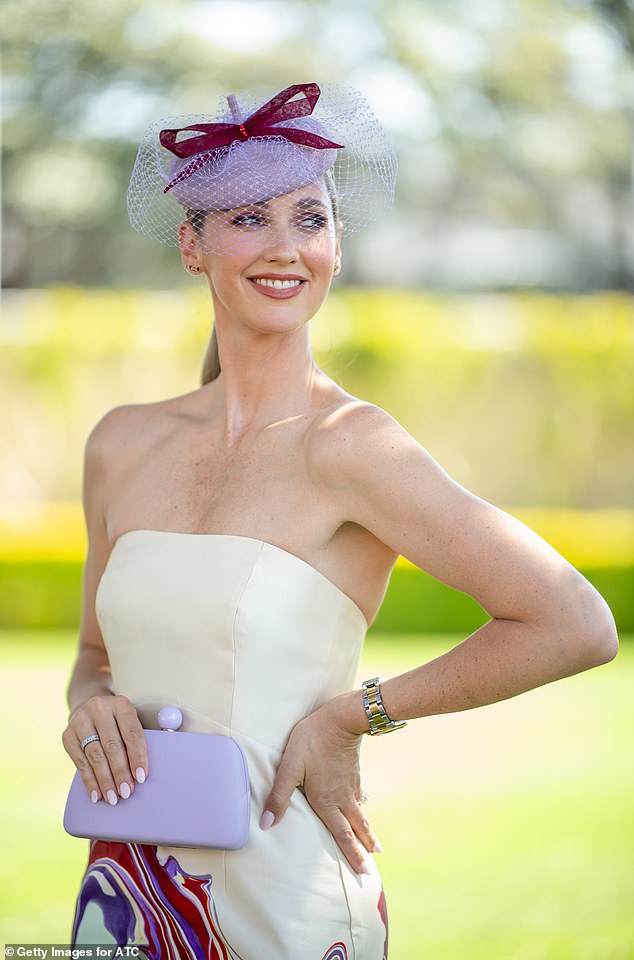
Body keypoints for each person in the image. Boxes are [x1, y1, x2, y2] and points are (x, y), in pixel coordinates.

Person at [63, 82, 617, 960]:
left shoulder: (355, 447)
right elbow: (94, 662)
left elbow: (575, 623)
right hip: (127, 897)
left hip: (287, 898)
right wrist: (89, 710)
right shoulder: (121, 445)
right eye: (248, 219)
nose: (285, 248)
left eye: (308, 219)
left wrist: (353, 716)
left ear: (337, 245)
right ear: (191, 244)